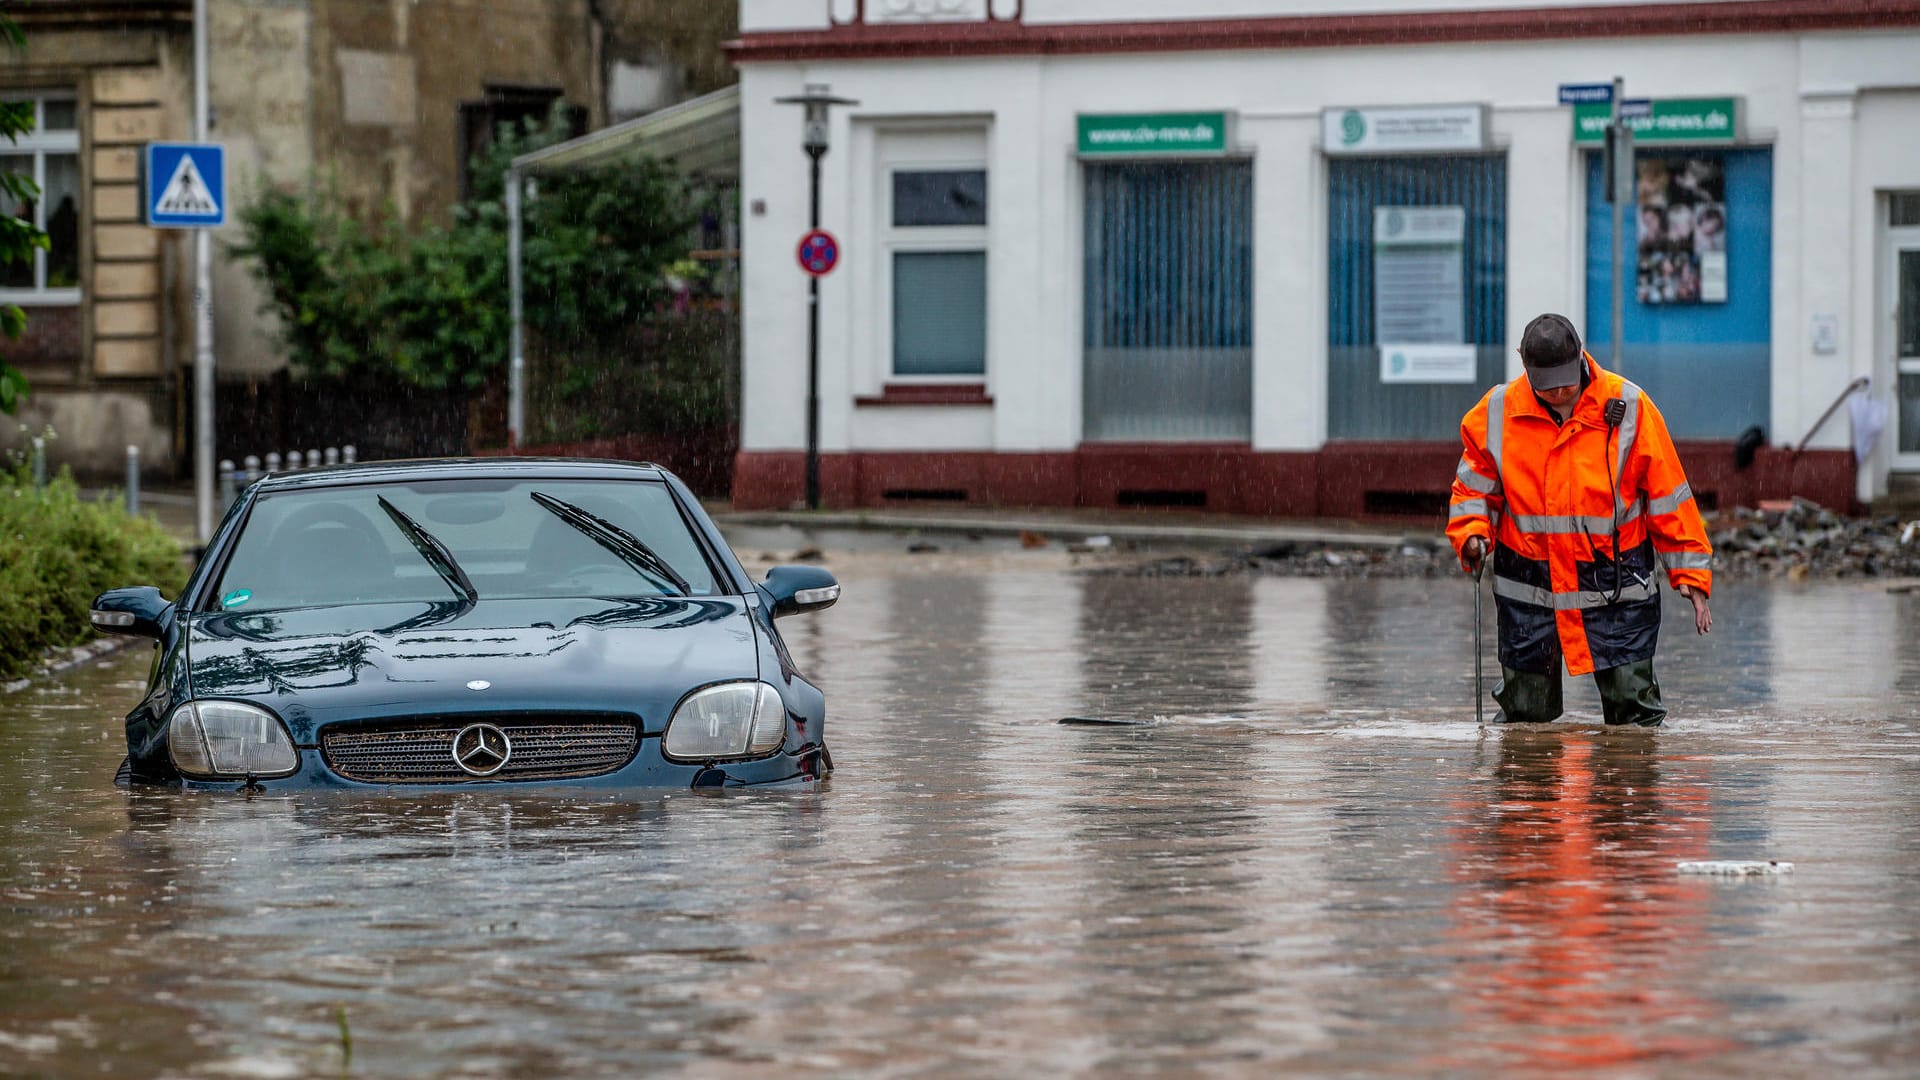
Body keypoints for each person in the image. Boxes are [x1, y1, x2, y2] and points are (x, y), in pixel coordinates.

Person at [1448, 313, 1713, 727]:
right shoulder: (1497, 413)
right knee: (1525, 719)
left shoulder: (1629, 409)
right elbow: (1473, 491)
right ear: (1524, 365)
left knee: (1634, 715)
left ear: (1582, 357)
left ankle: (1633, 789)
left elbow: (1669, 498)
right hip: (1529, 591)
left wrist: (1692, 578)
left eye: (1566, 383)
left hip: (1616, 587)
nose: (1558, 393)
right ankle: (1524, 789)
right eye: (1547, 385)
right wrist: (1471, 535)